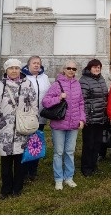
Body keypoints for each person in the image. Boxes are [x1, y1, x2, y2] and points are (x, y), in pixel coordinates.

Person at [0, 58, 37, 201]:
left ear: (20, 69)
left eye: (16, 68)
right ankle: (6, 188)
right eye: (11, 68)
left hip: (22, 128)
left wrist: (32, 122)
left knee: (20, 160)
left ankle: (17, 188)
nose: (14, 71)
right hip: (5, 129)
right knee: (6, 162)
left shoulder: (27, 84)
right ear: (6, 70)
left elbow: (34, 105)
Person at [43, 60, 86, 190]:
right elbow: (45, 101)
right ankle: (58, 179)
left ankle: (69, 177)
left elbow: (81, 103)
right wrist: (59, 98)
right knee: (58, 152)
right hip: (59, 124)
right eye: (69, 68)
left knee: (70, 152)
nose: (71, 71)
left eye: (74, 69)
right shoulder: (57, 84)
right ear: (64, 69)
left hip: (73, 125)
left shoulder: (77, 84)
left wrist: (82, 119)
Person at [20, 55, 51, 182]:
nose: (37, 65)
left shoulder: (45, 78)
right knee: (25, 142)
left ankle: (33, 170)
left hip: (41, 117)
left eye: (38, 63)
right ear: (28, 65)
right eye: (34, 63)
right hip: (27, 117)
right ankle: (23, 170)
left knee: (36, 142)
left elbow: (49, 94)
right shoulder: (23, 77)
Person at [79, 58, 109, 177]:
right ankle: (86, 167)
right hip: (90, 117)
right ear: (89, 68)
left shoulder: (101, 79)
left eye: (98, 67)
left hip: (100, 117)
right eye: (94, 67)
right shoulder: (84, 80)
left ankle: (93, 165)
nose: (97, 69)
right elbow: (82, 100)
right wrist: (85, 117)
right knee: (89, 144)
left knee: (97, 143)